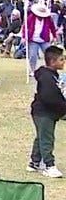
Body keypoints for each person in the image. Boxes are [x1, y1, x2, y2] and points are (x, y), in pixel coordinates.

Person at [28, 45, 66, 179]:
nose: (64, 62)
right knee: (46, 139)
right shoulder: (46, 77)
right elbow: (49, 98)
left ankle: (34, 162)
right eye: (61, 59)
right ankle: (49, 165)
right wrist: (63, 107)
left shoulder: (53, 75)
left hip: (47, 113)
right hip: (43, 113)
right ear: (52, 62)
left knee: (41, 136)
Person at [26, 2, 58, 72]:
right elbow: (25, 27)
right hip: (33, 40)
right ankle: (33, 70)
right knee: (33, 56)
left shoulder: (48, 19)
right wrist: (23, 37)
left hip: (44, 40)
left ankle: (51, 69)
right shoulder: (31, 17)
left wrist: (55, 36)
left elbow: (52, 28)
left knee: (50, 55)